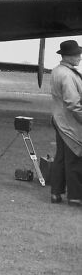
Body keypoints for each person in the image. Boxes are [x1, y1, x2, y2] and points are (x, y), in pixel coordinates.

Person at [49, 39, 82, 207]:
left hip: (59, 119)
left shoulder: (58, 70)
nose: (79, 56)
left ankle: (56, 193)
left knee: (61, 158)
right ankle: (75, 197)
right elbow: (73, 104)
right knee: (75, 158)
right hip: (69, 123)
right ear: (67, 56)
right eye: (76, 54)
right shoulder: (67, 75)